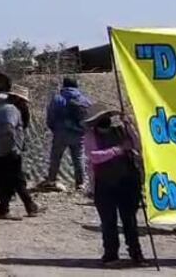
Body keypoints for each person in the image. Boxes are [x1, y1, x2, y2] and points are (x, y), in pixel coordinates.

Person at [84, 107, 146, 265]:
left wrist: (129, 126)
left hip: (127, 182)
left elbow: (138, 145)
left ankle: (136, 254)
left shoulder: (121, 131)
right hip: (105, 183)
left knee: (130, 221)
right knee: (108, 221)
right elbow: (94, 157)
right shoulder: (91, 136)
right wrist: (118, 150)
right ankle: (111, 254)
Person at [0, 89, 39, 219]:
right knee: (18, 180)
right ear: (16, 99)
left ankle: (8, 209)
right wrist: (17, 145)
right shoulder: (11, 109)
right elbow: (9, 128)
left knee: (6, 181)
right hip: (10, 149)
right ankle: (29, 206)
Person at [41, 77, 92, 191]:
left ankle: (52, 180)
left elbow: (50, 116)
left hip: (60, 132)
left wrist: (54, 128)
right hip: (78, 134)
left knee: (56, 157)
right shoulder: (84, 100)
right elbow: (90, 116)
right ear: (76, 86)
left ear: (64, 85)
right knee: (78, 158)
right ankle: (80, 184)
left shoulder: (57, 98)